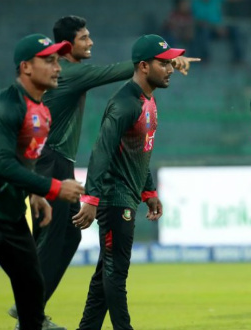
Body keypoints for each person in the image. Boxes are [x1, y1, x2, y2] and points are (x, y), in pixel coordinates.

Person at [7, 16, 198, 329]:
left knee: (63, 235)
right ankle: (30, 309)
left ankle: (31, 311)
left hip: (56, 160)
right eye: (84, 37)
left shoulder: (72, 74)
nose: (90, 42)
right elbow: (110, 74)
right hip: (50, 160)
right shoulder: (71, 73)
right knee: (61, 234)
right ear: (69, 45)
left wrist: (163, 62)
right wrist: (162, 62)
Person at [0, 34, 84, 330]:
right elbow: (2, 164)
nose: (57, 68)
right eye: (49, 61)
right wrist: (53, 188)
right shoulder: (4, 105)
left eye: (58, 61)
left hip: (9, 212)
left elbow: (23, 160)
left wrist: (33, 193)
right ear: (26, 67)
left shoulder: (42, 111)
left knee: (32, 288)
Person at [70, 34, 182, 330]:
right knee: (115, 273)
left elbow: (138, 151)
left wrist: (149, 191)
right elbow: (101, 151)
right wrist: (92, 199)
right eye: (163, 63)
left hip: (128, 196)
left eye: (171, 62)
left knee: (105, 275)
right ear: (144, 66)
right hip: (114, 199)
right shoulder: (125, 103)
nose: (170, 68)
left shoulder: (148, 100)